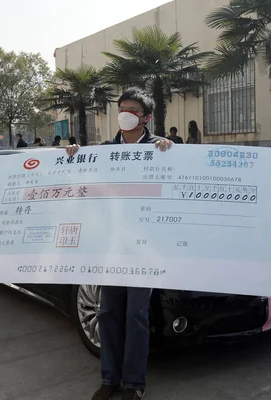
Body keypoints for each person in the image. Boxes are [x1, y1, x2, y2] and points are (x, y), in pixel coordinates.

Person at [66, 87, 173, 400]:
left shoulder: (160, 148)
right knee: (108, 311)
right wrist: (73, 158)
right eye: (122, 108)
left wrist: (169, 148)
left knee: (137, 315)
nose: (125, 114)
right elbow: (82, 184)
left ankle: (135, 383)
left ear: (146, 118)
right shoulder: (103, 151)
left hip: (144, 248)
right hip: (110, 246)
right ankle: (109, 378)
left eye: (133, 110)